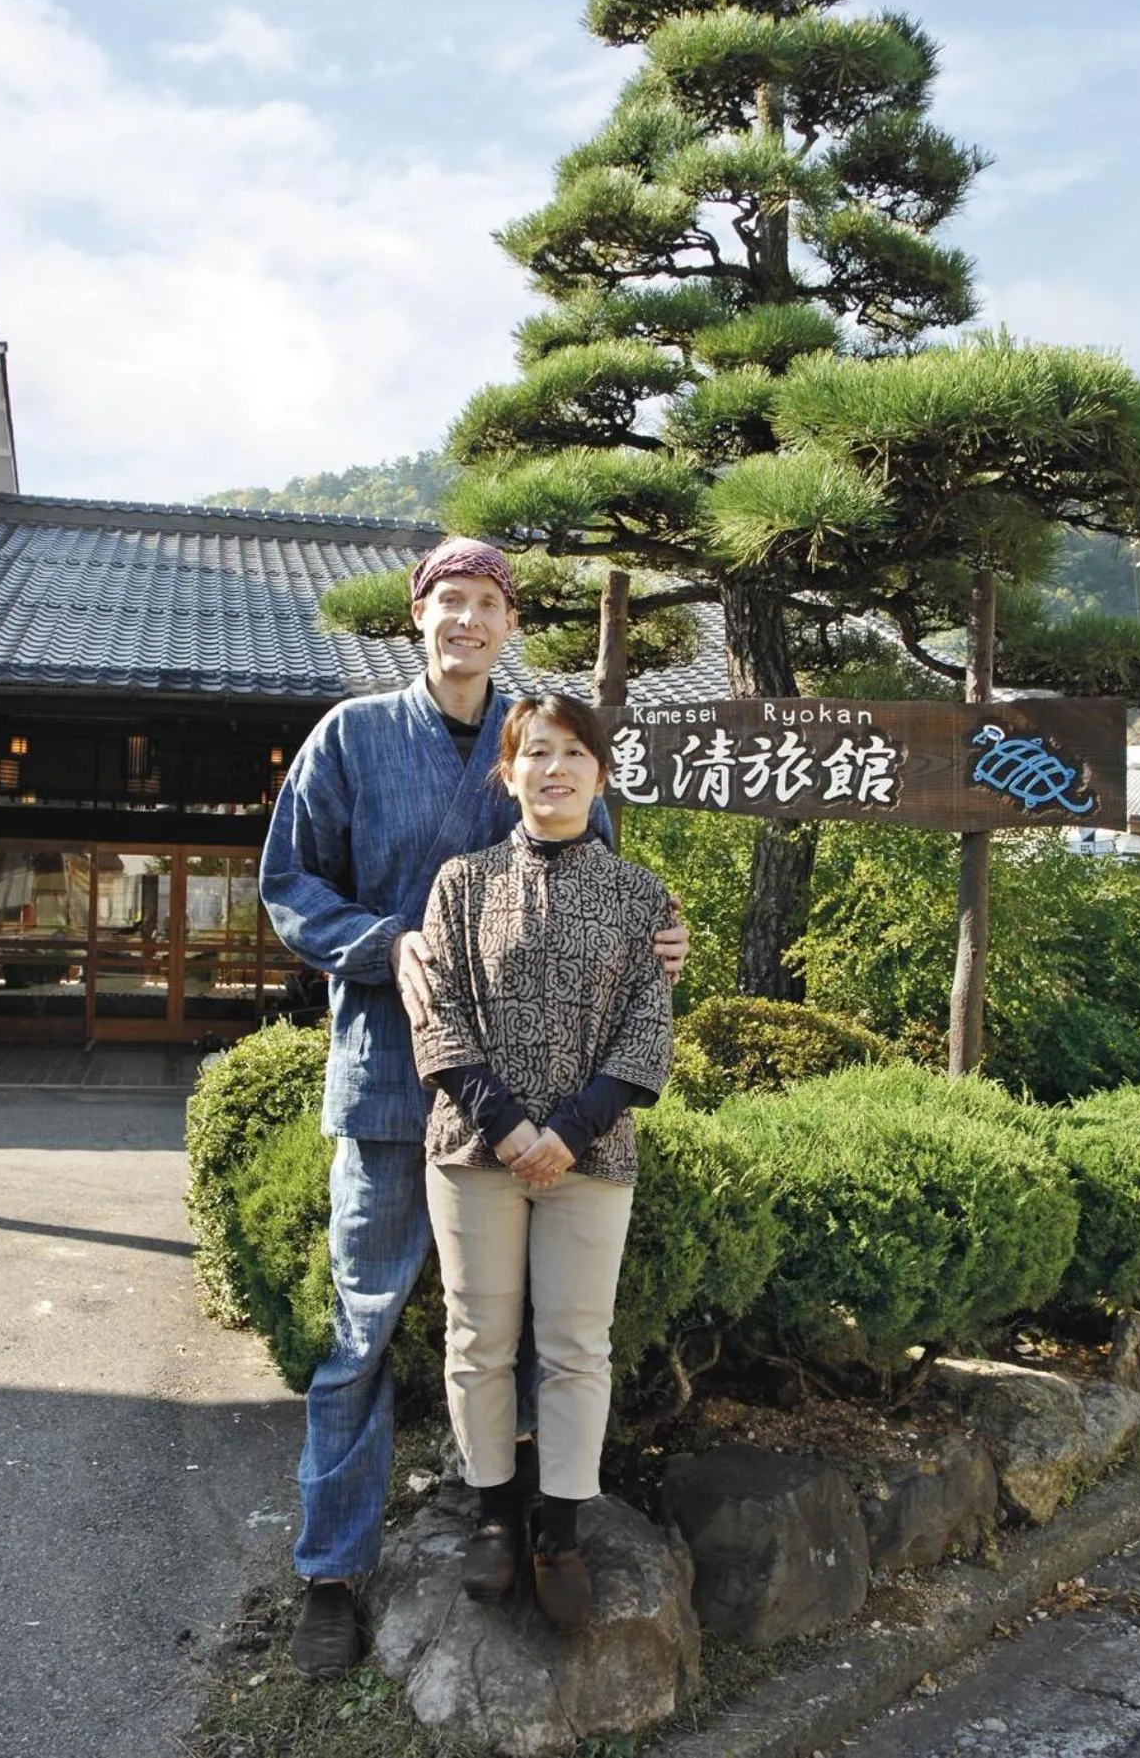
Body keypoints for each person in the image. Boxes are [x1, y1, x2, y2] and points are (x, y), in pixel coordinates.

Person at [259, 536, 689, 1675]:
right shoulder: (351, 738)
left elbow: (599, 898)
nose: (466, 620)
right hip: (391, 1083)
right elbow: (288, 887)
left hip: (530, 1110)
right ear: (418, 616)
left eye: (486, 604)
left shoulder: (538, 741)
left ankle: (526, 1527)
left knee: (528, 1328)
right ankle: (333, 1574)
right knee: (366, 1329)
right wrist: (384, 942)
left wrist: (664, 946)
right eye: (447, 601)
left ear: (508, 624)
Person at [413, 691, 674, 1631]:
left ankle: (559, 1527)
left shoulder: (644, 896)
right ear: (509, 771)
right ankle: (493, 1515)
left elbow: (650, 1032)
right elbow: (436, 1014)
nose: (554, 769)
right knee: (479, 1337)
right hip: (475, 1150)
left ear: (599, 775)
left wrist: (568, 1127)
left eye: (573, 753)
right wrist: (507, 1123)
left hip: (592, 1155)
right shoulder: (461, 883)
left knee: (574, 1346)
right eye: (536, 753)